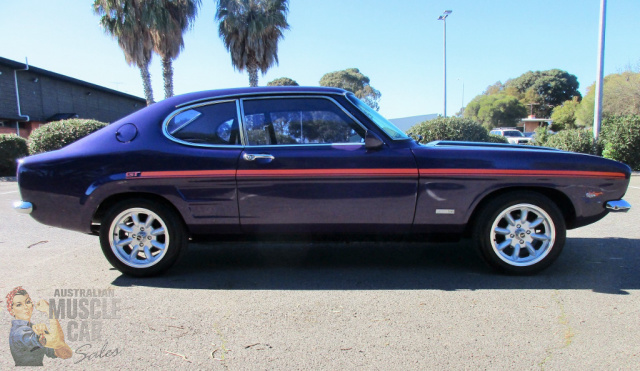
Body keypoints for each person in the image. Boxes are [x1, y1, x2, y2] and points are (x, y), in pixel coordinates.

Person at [6, 286, 72, 366]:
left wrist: (52, 339)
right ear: (11, 310)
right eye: (19, 305)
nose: (26, 307)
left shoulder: (33, 328)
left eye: (27, 302)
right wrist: (49, 311)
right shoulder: (20, 332)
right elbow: (57, 341)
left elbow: (66, 354)